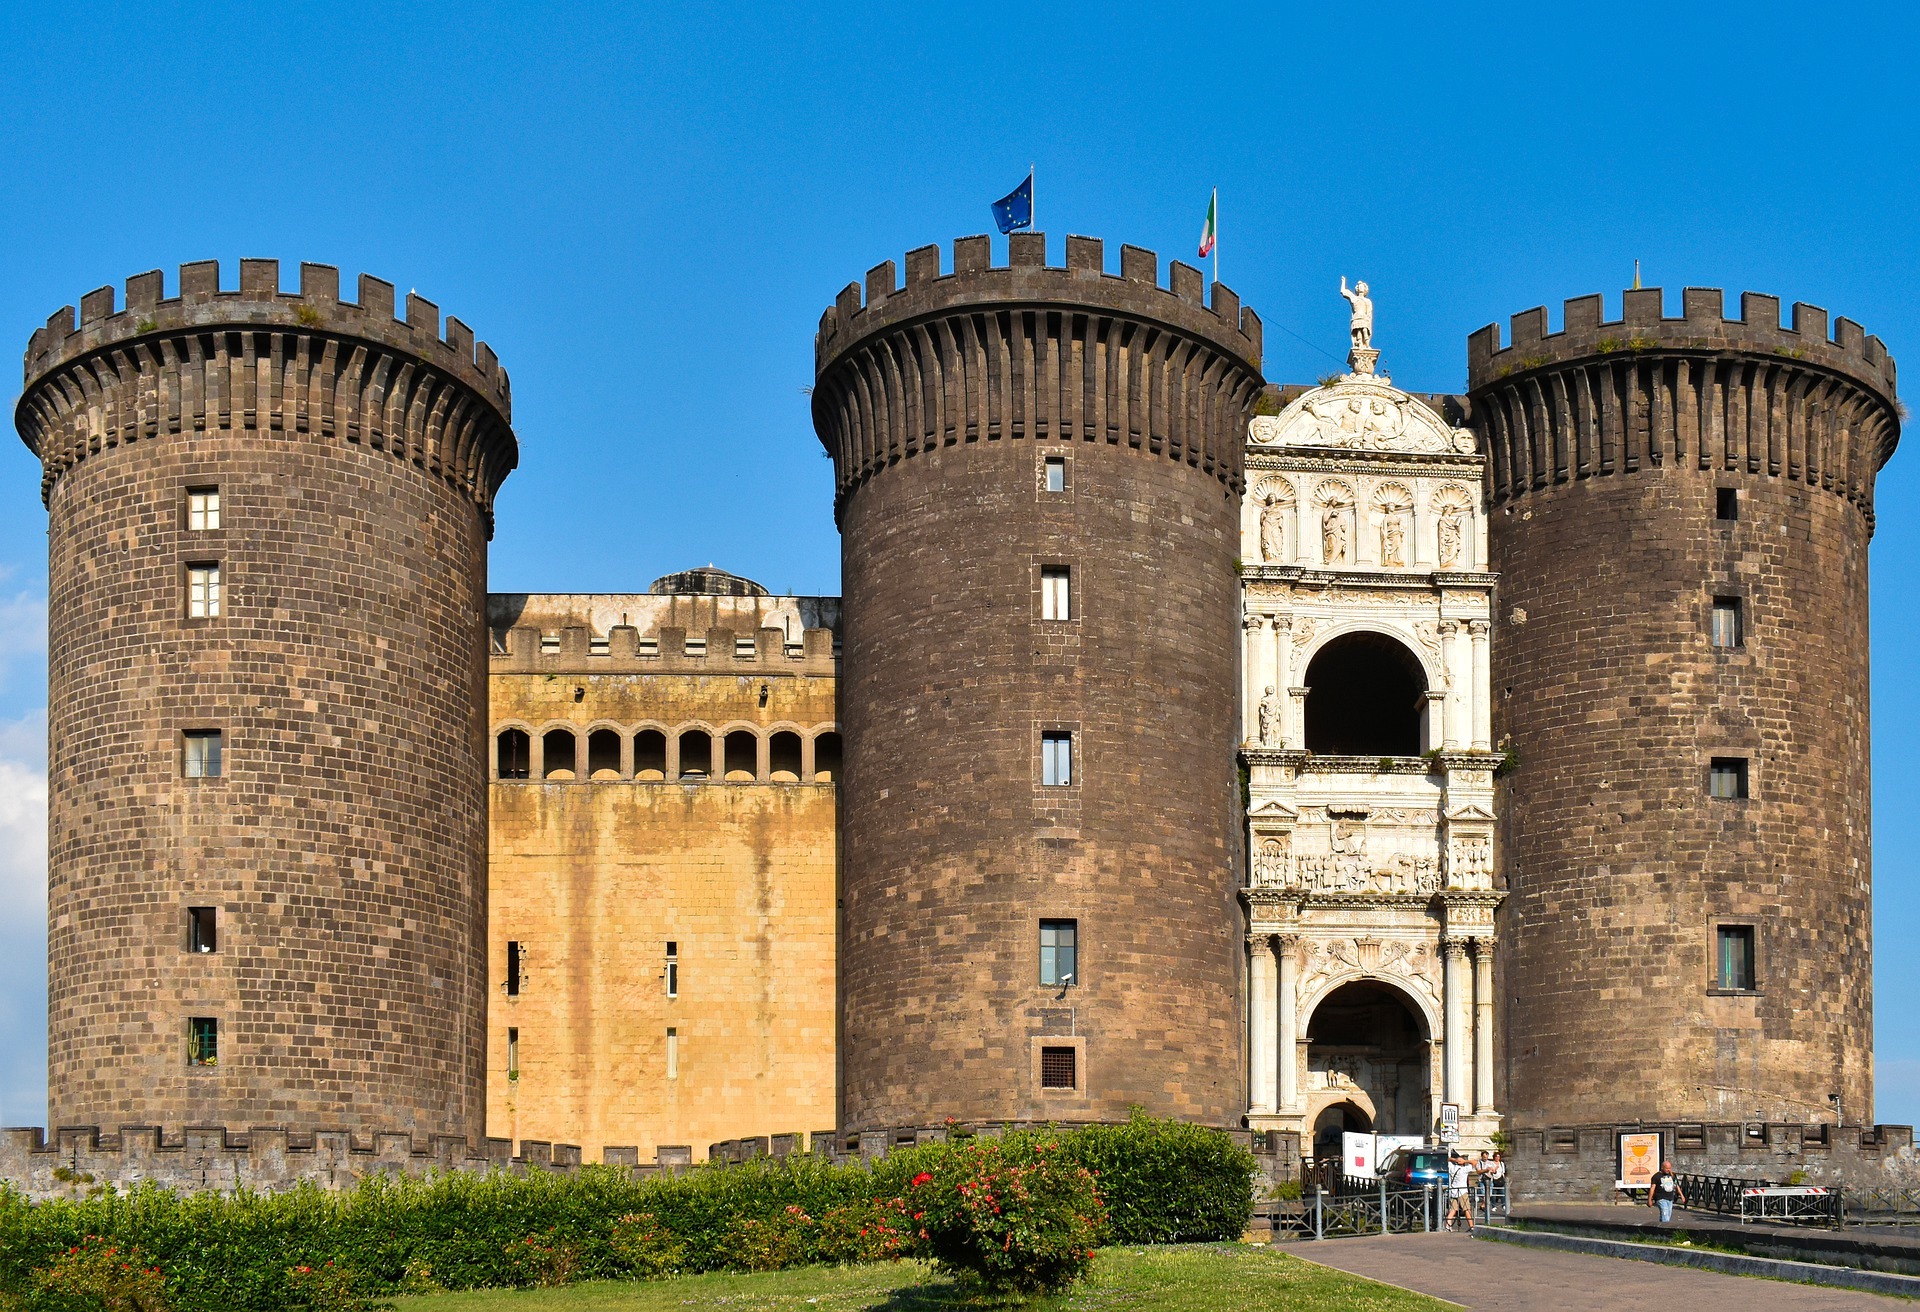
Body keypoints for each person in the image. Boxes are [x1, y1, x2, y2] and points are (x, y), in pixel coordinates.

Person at [1445, 1152, 1476, 1233]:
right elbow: (1474, 1162)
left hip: (1453, 1191)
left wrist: (1455, 1160)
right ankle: (1471, 1226)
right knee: (1466, 1209)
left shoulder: (1452, 1167)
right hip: (1462, 1191)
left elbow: (1448, 1160)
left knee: (1453, 1209)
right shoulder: (1464, 1169)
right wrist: (1465, 1161)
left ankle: (1447, 1225)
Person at [1648, 1159, 1686, 1224]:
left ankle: (1659, 1227)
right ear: (1662, 1168)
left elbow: (1676, 1185)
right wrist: (1649, 1200)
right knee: (1665, 1213)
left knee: (1667, 1214)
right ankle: (1665, 1230)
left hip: (1670, 1198)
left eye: (1669, 1168)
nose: (1668, 1170)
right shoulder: (1656, 1176)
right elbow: (1652, 1188)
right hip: (1661, 1198)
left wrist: (1682, 1195)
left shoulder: (1672, 1175)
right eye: (1666, 1168)